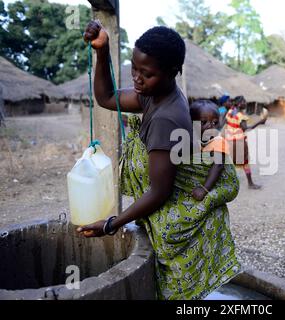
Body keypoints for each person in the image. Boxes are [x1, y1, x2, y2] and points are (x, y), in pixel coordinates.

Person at [78, 21, 241, 300]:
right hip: (167, 209)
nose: (137, 79)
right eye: (135, 68)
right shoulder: (153, 94)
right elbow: (107, 98)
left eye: (147, 74)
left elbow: (159, 191)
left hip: (181, 221)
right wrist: (102, 52)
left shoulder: (166, 117)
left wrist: (112, 224)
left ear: (172, 73)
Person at [189, 99, 232, 202]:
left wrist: (204, 190)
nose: (210, 126)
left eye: (215, 122)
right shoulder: (198, 141)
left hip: (214, 186)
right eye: (203, 122)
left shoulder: (218, 141)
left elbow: (218, 165)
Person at [224, 96, 267, 190]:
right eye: (244, 102)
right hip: (239, 142)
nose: (245, 103)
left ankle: (226, 182)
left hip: (229, 140)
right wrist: (260, 122)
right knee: (245, 162)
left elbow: (226, 122)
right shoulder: (240, 116)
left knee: (230, 161)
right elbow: (246, 128)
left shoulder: (231, 111)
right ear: (239, 104)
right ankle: (250, 184)